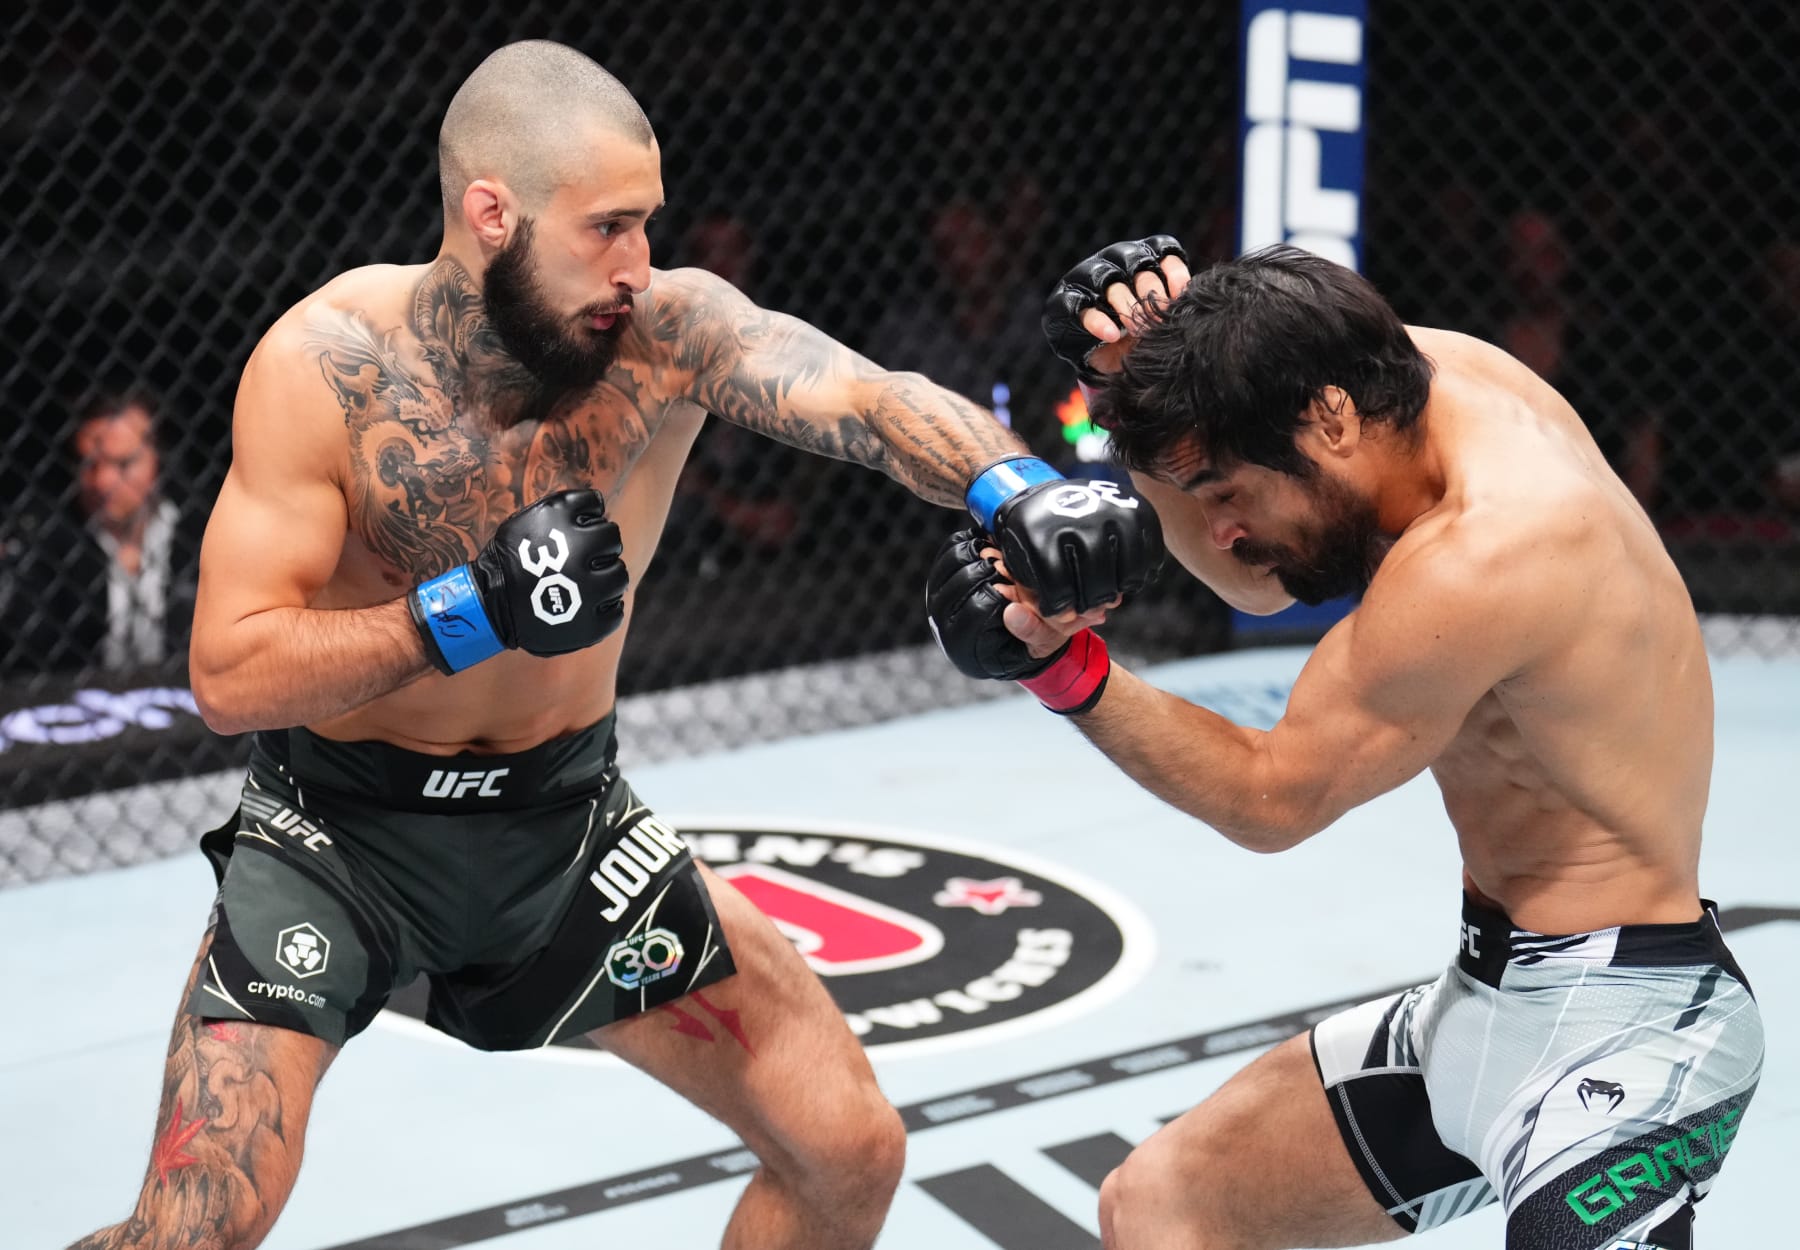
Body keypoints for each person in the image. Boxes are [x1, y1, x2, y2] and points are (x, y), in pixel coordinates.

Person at [70, 41, 1160, 1250]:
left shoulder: (666, 332)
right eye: (608, 228)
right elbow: (229, 673)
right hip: (342, 836)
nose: (639, 265)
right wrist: (467, 610)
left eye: (648, 225)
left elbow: (856, 395)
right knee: (187, 1230)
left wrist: (1014, 488)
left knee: (848, 1150)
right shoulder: (327, 365)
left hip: (567, 824)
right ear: (493, 213)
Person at [927, 238, 1764, 1249]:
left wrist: (1060, 666)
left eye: (1227, 491)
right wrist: (1137, 375)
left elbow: (1273, 797)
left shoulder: (1490, 552)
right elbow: (1260, 572)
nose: (1219, 530)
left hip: (1632, 1024)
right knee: (1161, 1205)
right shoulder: (1401, 386)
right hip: (1487, 996)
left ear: (1325, 418)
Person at [0, 392, 200, 674]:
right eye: (90, 464)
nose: (103, 481)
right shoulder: (46, 539)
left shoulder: (201, 530)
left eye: (123, 464)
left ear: (160, 460)